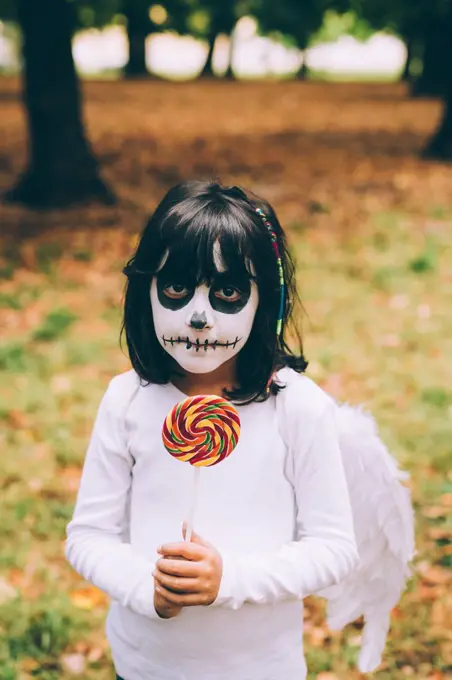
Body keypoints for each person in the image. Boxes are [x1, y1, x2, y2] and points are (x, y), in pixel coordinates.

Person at [65, 180, 360, 680]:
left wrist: (230, 579)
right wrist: (146, 587)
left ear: (266, 300)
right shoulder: (127, 401)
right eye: (177, 289)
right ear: (146, 292)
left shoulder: (298, 408)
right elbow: (88, 536)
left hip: (260, 668)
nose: (199, 318)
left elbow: (334, 549)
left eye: (227, 292)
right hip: (144, 666)